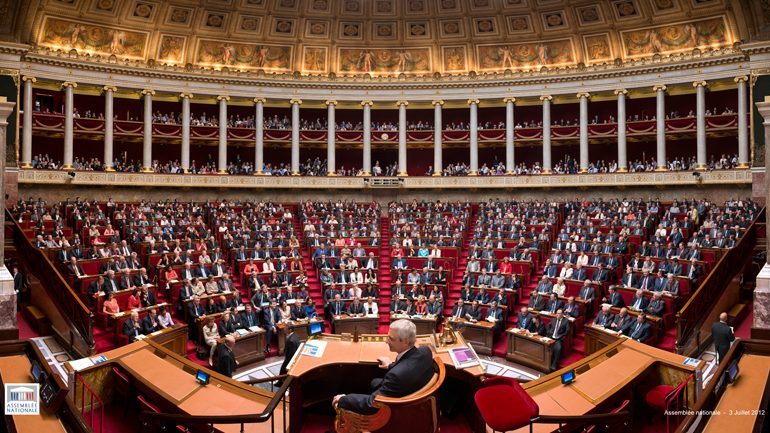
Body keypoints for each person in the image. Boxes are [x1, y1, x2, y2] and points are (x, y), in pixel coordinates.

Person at [333, 320, 434, 415]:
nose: (386, 342)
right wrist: (390, 365)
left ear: (406, 341)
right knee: (373, 382)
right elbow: (410, 366)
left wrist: (344, 399)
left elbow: (372, 404)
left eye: (391, 339)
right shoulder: (425, 351)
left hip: (395, 411)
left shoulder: (396, 376)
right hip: (412, 392)